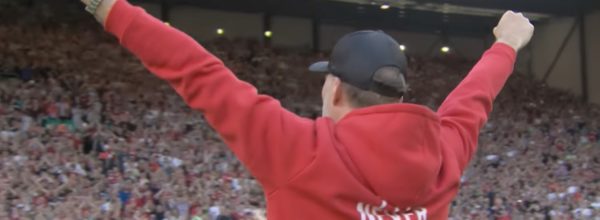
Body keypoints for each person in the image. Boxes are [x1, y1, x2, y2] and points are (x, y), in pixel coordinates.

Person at [79, 0, 534, 219]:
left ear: (334, 91)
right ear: (397, 98)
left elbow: (199, 72)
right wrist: (507, 44)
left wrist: (109, 7)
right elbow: (472, 102)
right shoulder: (443, 158)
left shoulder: (301, 150)